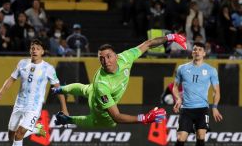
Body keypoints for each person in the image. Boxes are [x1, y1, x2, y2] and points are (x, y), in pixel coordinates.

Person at [52, 33, 189, 128]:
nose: (105, 61)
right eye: (101, 58)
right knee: (104, 122)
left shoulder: (125, 57)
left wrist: (172, 37)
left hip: (92, 88)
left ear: (116, 56)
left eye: (109, 56)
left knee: (84, 88)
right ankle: (68, 119)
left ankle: (60, 89)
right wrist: (144, 118)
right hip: (98, 102)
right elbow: (117, 116)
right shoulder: (103, 86)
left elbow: (148, 44)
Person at [0, 39, 67, 146]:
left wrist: (64, 108)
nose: (34, 50)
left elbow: (58, 88)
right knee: (11, 135)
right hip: (19, 104)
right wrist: (1, 91)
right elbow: (11, 79)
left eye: (37, 48)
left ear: (42, 52)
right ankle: (35, 130)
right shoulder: (22, 63)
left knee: (19, 133)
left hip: (34, 106)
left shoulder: (48, 69)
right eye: (32, 48)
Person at [161, 42, 223, 146]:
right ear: (192, 52)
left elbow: (216, 91)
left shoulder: (211, 70)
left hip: (202, 109)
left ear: (204, 53)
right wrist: (178, 98)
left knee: (201, 136)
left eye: (200, 50)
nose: (197, 52)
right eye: (195, 50)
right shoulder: (182, 68)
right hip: (187, 109)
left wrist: (215, 107)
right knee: (180, 138)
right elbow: (175, 87)